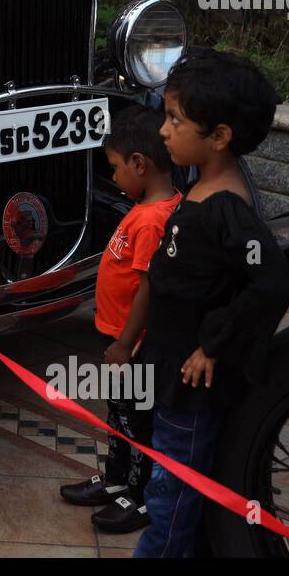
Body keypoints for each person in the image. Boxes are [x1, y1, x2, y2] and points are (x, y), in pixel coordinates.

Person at [132, 48, 289, 558]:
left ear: (220, 136)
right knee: (172, 489)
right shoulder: (203, 185)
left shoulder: (227, 207)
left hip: (192, 391)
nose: (163, 130)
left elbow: (271, 284)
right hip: (170, 374)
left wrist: (213, 346)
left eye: (176, 119)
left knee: (171, 501)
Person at [60, 104, 181, 532]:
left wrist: (125, 344)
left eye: (114, 168)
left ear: (139, 164)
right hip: (118, 339)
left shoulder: (153, 221)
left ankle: (140, 495)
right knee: (120, 415)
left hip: (131, 345)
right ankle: (115, 479)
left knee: (136, 421)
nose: (113, 178)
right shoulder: (146, 208)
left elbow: (149, 285)